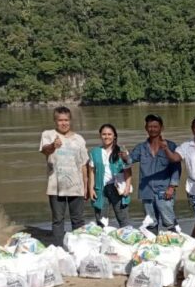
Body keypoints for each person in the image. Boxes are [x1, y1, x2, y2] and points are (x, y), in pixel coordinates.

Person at [39, 106, 88, 247]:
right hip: (56, 186)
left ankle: (79, 248)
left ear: (70, 120)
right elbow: (44, 151)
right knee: (58, 220)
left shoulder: (79, 139)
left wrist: (86, 187)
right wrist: (54, 146)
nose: (64, 123)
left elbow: (83, 165)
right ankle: (59, 248)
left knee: (78, 220)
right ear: (55, 121)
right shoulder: (48, 135)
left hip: (76, 185)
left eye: (66, 120)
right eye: (60, 120)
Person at [124, 114, 180, 234]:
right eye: (150, 126)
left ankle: (176, 246)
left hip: (164, 190)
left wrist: (172, 186)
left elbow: (176, 167)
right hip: (146, 191)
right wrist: (124, 157)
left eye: (155, 126)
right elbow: (130, 160)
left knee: (169, 221)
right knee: (151, 222)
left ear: (161, 128)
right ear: (146, 128)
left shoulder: (170, 146)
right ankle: (152, 247)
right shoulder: (141, 148)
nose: (152, 129)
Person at [88, 124, 132, 228]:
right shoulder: (95, 152)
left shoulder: (122, 151)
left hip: (118, 188)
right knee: (101, 221)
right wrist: (91, 189)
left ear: (114, 136)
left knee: (123, 219)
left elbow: (128, 171)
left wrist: (127, 187)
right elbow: (91, 172)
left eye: (109, 134)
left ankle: (125, 239)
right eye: (104, 134)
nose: (106, 137)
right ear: (100, 136)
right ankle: (103, 241)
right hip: (100, 188)